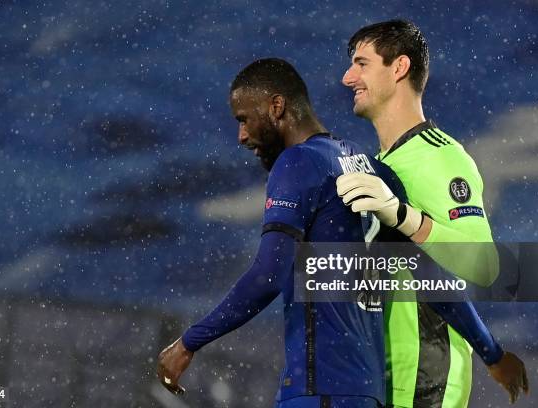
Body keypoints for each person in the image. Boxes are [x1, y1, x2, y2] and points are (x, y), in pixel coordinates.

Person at [157, 57, 405, 408]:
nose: (241, 135)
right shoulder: (373, 169)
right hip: (369, 391)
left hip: (320, 390)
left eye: (244, 119)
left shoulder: (299, 162)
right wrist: (488, 350)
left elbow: (267, 275)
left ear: (277, 107)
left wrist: (188, 343)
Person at [336, 20, 529, 407]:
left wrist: (403, 216)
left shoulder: (440, 157)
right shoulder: (382, 165)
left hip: (427, 381)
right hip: (385, 380)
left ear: (399, 67)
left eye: (361, 63)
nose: (346, 77)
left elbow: (484, 265)